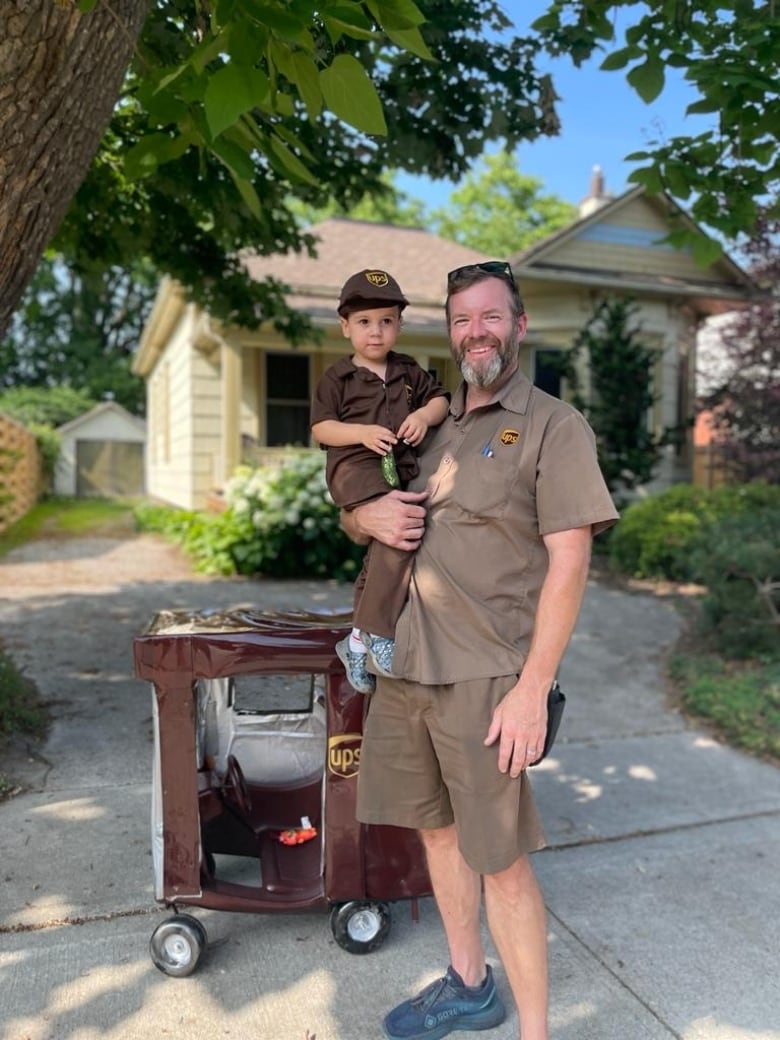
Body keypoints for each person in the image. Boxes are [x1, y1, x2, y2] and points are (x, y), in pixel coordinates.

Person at [342, 261, 619, 1040]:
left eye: (491, 317)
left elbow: (570, 561)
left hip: (486, 677)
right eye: (462, 320)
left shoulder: (553, 428)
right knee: (434, 830)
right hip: (407, 665)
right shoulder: (427, 427)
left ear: (519, 326)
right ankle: (469, 984)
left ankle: (534, 1031)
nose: (476, 333)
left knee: (501, 860)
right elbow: (366, 510)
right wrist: (366, 522)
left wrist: (534, 688)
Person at [311, 268, 449, 695]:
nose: (376, 332)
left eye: (386, 321)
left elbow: (442, 399)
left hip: (398, 468)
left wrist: (423, 416)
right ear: (346, 327)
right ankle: (378, 633)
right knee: (397, 532)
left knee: (390, 546)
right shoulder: (339, 377)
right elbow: (321, 429)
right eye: (365, 322)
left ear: (399, 326)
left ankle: (357, 639)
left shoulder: (409, 372)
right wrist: (361, 433)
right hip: (355, 466)